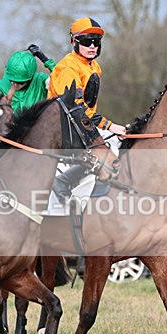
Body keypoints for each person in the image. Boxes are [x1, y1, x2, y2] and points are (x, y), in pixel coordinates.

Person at [48, 17, 126, 203]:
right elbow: (76, 109)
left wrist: (110, 128)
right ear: (74, 42)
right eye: (86, 41)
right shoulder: (68, 68)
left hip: (80, 123)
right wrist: (110, 125)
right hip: (63, 124)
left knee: (115, 142)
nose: (92, 46)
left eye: (96, 42)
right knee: (106, 148)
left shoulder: (93, 66)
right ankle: (62, 181)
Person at [0, 45, 56, 112]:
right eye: (12, 81)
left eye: (20, 82)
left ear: (31, 77)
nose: (15, 85)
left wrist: (46, 60)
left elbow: (62, 80)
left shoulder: (41, 80)